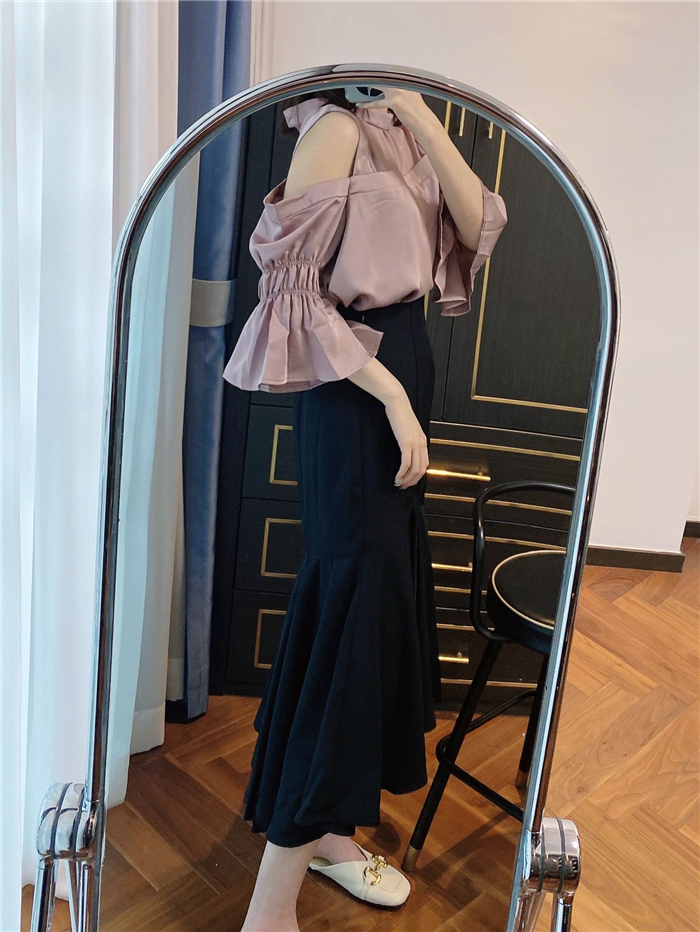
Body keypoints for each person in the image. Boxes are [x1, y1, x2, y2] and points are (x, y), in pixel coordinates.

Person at [223, 86, 508, 932]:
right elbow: (290, 294)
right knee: (347, 626)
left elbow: (478, 226)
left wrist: (421, 115)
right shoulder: (333, 129)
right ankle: (269, 907)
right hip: (355, 384)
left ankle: (326, 832)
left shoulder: (404, 128)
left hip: (405, 362)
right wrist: (390, 398)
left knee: (372, 616)